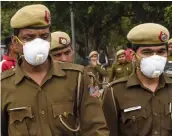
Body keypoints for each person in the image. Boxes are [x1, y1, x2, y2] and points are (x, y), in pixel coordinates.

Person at [1, 4, 109, 136]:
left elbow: (96, 128)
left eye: (44, 36)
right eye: (29, 38)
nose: (38, 43)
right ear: (15, 42)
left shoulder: (79, 78)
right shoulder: (3, 86)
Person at [102, 23, 172, 136]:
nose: (155, 58)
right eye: (147, 52)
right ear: (134, 57)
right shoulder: (115, 92)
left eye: (161, 52)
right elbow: (107, 132)